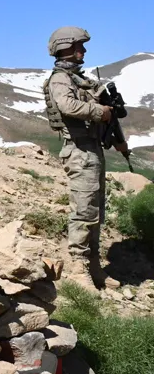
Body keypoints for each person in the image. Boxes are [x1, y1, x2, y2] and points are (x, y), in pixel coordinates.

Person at [43, 26, 124, 292]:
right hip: (79, 151)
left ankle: (94, 266)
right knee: (83, 211)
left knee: (96, 211)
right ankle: (78, 269)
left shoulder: (79, 79)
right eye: (79, 45)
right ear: (66, 47)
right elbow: (67, 106)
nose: (84, 50)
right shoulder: (60, 79)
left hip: (92, 150)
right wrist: (100, 111)